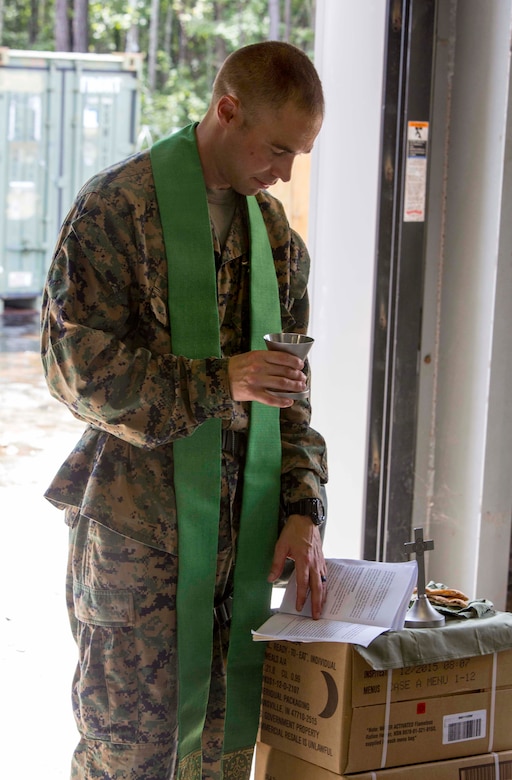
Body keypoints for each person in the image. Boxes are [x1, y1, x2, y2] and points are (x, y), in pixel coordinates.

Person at [41, 40, 328, 780]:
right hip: (141, 555)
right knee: (128, 758)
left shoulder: (275, 241)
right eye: (276, 149)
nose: (286, 173)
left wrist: (304, 508)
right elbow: (73, 368)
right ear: (227, 112)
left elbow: (291, 399)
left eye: (300, 155)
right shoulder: (118, 210)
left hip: (243, 551)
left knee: (226, 754)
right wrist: (217, 380)